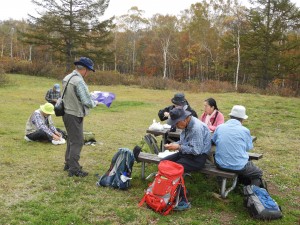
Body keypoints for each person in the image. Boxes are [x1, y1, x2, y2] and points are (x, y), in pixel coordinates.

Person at [162, 107, 211, 210]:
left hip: (198, 158)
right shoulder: (186, 125)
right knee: (164, 162)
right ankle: (166, 190)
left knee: (176, 169)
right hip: (187, 153)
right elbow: (183, 142)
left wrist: (178, 147)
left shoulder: (196, 128)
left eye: (176, 123)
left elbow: (196, 150)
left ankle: (182, 200)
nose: (176, 126)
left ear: (184, 119)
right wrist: (174, 144)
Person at [62, 57, 99, 177]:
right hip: (74, 114)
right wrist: (95, 103)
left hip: (66, 112)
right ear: (85, 69)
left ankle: (68, 163)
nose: (88, 74)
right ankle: (74, 169)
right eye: (89, 70)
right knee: (77, 142)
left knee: (71, 140)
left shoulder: (68, 77)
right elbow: (87, 101)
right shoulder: (79, 81)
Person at [212, 105, 264, 187]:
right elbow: (248, 148)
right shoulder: (245, 130)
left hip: (220, 164)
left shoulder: (219, 127)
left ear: (230, 116)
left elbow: (214, 141)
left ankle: (234, 184)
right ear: (242, 119)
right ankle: (251, 192)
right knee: (258, 172)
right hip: (238, 166)